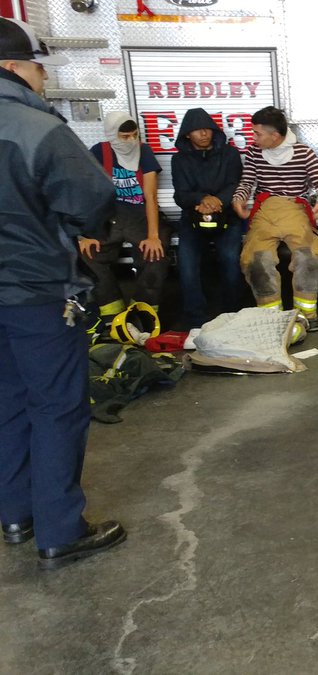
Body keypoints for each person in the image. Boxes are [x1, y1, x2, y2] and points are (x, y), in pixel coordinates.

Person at [0, 17, 126, 570]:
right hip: (35, 290)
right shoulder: (35, 127)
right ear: (11, 67)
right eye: (38, 67)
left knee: (7, 402)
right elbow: (92, 197)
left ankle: (16, 515)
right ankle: (60, 530)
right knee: (56, 406)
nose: (44, 78)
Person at [232, 106, 318, 330]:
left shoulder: (304, 153)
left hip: (295, 209)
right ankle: (271, 317)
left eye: (257, 134)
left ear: (275, 135)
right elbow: (247, 182)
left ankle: (306, 315)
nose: (253, 138)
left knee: (310, 257)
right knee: (257, 260)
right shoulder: (255, 153)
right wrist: (239, 199)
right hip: (265, 211)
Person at [78, 111, 167, 327]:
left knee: (155, 257)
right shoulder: (99, 152)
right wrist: (85, 235)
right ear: (111, 134)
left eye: (134, 135)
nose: (130, 141)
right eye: (124, 136)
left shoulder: (144, 151)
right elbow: (88, 193)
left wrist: (153, 236)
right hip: (109, 215)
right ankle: (113, 315)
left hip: (139, 214)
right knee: (89, 255)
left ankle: (143, 313)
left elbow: (150, 196)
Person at [172, 107, 246, 329]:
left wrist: (218, 201)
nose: (204, 134)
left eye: (207, 129)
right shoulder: (179, 160)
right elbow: (180, 194)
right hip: (193, 218)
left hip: (227, 216)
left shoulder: (230, 154)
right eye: (197, 130)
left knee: (230, 259)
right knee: (187, 264)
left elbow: (235, 184)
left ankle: (233, 315)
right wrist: (202, 199)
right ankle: (195, 320)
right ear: (187, 134)